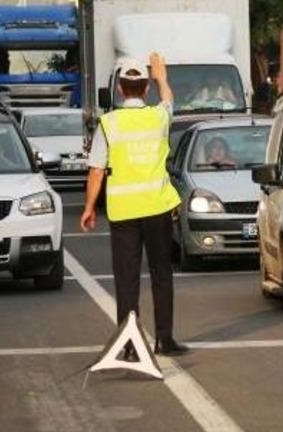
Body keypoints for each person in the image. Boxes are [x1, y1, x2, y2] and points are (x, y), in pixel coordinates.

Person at [80, 53, 188, 358]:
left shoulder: (109, 123)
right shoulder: (158, 117)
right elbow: (168, 100)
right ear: (145, 88)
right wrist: (162, 78)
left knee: (127, 279)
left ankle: (129, 345)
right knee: (161, 274)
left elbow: (96, 170)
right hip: (157, 209)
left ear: (119, 89)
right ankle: (164, 339)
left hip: (124, 213)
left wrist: (89, 208)